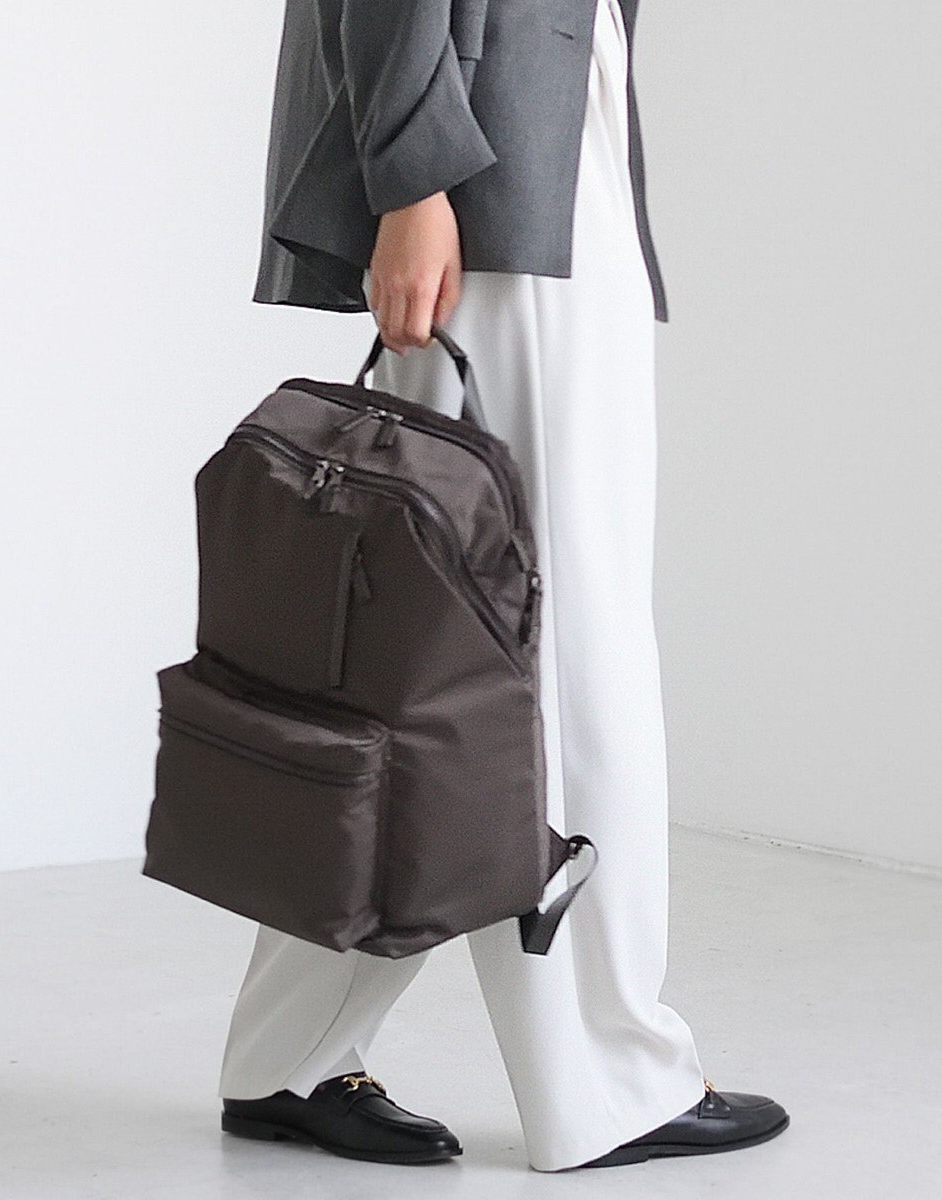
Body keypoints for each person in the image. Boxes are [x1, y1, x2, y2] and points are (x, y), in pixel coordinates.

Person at [216, 0, 790, 1171]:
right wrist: (413, 179)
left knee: (428, 649)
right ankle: (604, 1077)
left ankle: (287, 1054)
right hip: (498, 174)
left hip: (527, 147)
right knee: (553, 642)